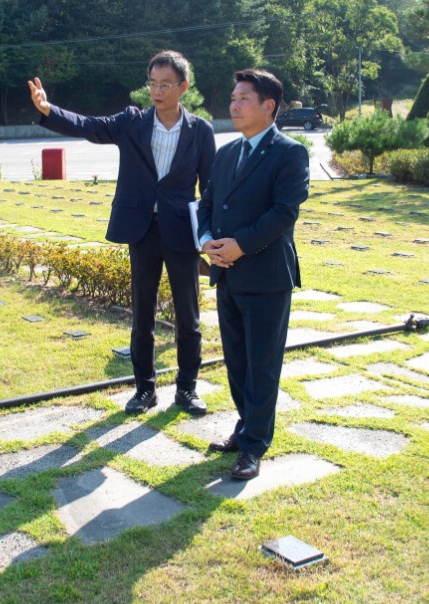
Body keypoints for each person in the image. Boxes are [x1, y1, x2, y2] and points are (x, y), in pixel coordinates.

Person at [28, 51, 215, 416]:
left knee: (188, 316)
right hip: (141, 230)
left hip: (181, 233)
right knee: (142, 314)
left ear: (183, 87)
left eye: (165, 84)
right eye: (153, 83)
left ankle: (187, 390)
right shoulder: (132, 122)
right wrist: (49, 110)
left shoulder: (201, 131)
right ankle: (145, 389)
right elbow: (89, 125)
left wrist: (210, 236)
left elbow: (210, 189)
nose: (157, 91)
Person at [197, 69, 310, 480]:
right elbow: (207, 203)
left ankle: (254, 445)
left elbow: (283, 213)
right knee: (237, 361)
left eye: (244, 98)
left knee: (262, 364)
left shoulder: (289, 152)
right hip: (226, 274)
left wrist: (240, 244)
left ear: (268, 106)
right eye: (232, 98)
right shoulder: (226, 153)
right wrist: (207, 239)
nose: (234, 105)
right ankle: (246, 427)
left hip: (265, 276)